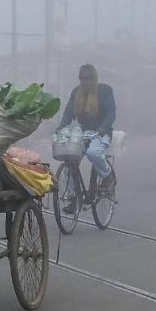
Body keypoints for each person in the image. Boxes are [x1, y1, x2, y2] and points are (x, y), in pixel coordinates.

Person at [58, 64, 117, 213]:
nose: (87, 82)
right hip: (82, 133)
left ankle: (108, 176)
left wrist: (102, 128)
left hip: (101, 133)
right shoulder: (76, 93)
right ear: (80, 79)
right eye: (83, 79)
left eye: (90, 78)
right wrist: (61, 127)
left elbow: (111, 113)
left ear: (95, 78)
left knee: (93, 153)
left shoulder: (105, 91)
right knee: (69, 161)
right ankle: (73, 198)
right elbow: (68, 112)